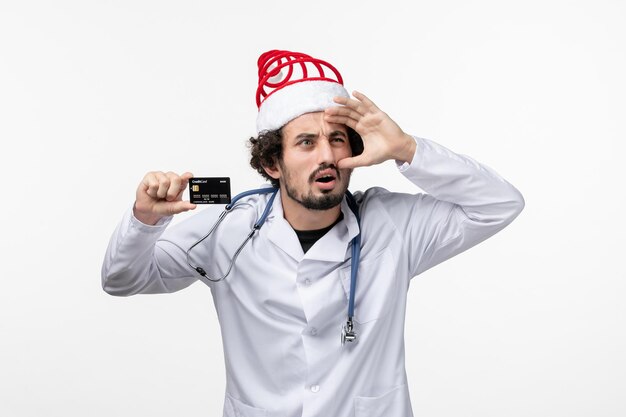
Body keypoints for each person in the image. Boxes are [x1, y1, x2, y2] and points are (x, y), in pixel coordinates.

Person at [102, 49, 525, 417]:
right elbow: (122, 279)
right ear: (272, 163)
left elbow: (499, 204)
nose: (326, 155)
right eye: (306, 142)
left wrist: (406, 148)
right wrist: (144, 219)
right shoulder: (227, 229)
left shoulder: (392, 226)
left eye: (337, 139)